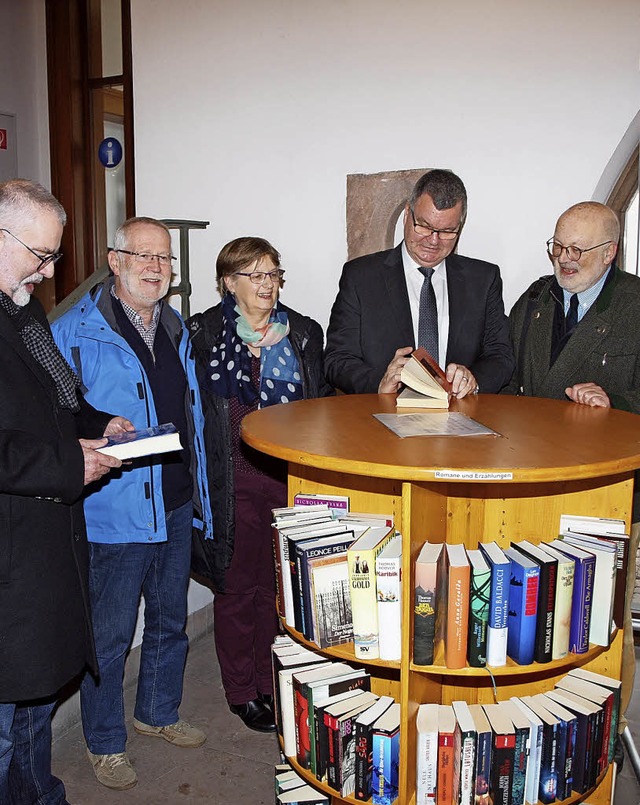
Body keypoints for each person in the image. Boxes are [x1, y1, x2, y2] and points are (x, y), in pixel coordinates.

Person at [51, 217, 213, 791]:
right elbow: (55, 419)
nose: (156, 267)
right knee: (111, 635)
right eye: (142, 255)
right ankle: (104, 742)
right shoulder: (74, 332)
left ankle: (158, 712)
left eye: (165, 258)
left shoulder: (174, 325)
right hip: (113, 511)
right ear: (114, 261)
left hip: (170, 500)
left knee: (171, 621)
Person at [0, 179, 128, 803]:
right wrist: (64, 465)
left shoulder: (20, 307)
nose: (50, 273)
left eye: (54, 256)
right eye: (40, 255)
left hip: (44, 548)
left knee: (34, 701)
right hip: (9, 552)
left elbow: (60, 399)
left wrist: (97, 424)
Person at [503, 200, 640, 745]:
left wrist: (617, 399)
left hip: (606, 494)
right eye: (558, 245)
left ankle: (603, 729)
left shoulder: (635, 305)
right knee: (538, 618)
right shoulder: (535, 298)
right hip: (534, 489)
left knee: (597, 623)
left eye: (579, 249)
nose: (565, 258)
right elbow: (503, 372)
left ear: (610, 252)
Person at [187, 237, 331, 733]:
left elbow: (321, 405)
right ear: (229, 282)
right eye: (255, 275)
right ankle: (241, 690)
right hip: (230, 483)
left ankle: (272, 682)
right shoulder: (204, 334)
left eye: (273, 274)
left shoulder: (303, 334)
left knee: (280, 590)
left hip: (285, 482)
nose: (267, 284)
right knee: (236, 589)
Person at [324, 168, 514, 397]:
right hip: (381, 419)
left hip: (461, 420)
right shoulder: (361, 277)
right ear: (407, 214)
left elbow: (500, 356)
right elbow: (337, 359)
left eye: (447, 231)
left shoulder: (483, 279)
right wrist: (380, 381)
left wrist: (474, 381)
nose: (433, 241)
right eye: (423, 226)